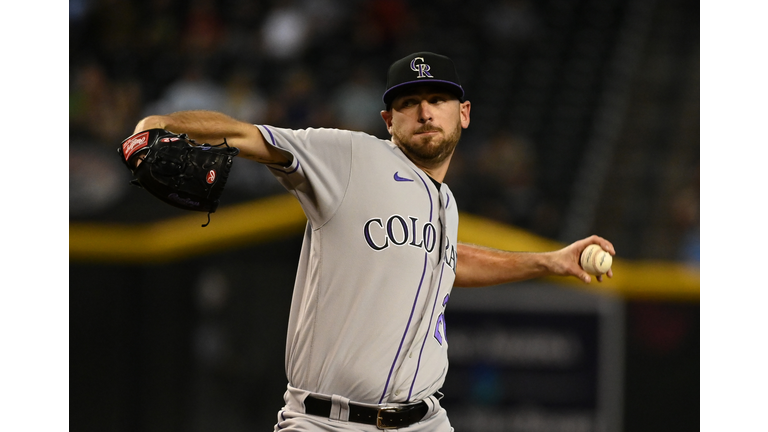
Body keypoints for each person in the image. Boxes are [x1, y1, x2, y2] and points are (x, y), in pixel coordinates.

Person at [132, 52, 615, 432]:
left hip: (425, 421)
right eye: (408, 103)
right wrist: (160, 124)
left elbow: (447, 263)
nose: (425, 112)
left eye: (438, 100)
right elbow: (245, 134)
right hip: (326, 421)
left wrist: (551, 261)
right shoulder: (350, 158)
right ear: (388, 119)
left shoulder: (445, 203)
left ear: (463, 113)